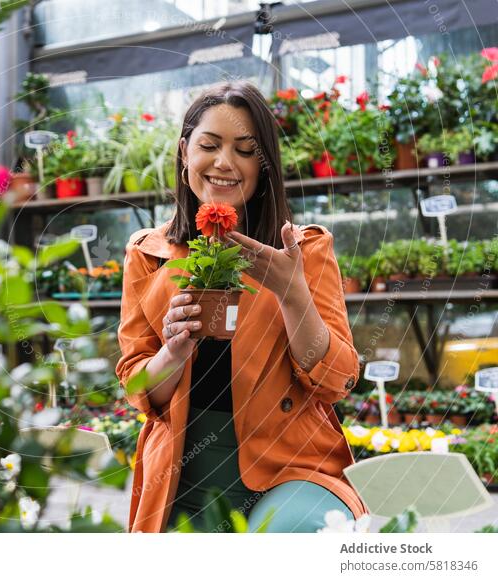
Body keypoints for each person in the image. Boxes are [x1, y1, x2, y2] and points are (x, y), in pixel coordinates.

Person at [115, 79, 367, 533]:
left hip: (293, 467)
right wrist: (171, 354)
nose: (225, 163)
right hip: (183, 472)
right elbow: (138, 384)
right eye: (209, 145)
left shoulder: (303, 250)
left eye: (246, 150)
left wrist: (293, 294)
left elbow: (337, 380)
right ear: (184, 153)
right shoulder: (147, 254)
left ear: (265, 164)